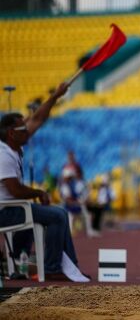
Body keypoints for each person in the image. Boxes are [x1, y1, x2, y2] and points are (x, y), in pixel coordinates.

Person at [0, 82, 89, 282]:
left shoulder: (14, 142)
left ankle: (69, 267)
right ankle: (51, 267)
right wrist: (39, 193)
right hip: (5, 211)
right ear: (12, 133)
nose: (28, 131)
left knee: (57, 213)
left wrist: (56, 95)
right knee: (57, 215)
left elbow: (38, 118)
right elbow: (14, 190)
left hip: (14, 207)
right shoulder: (3, 155)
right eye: (23, 128)